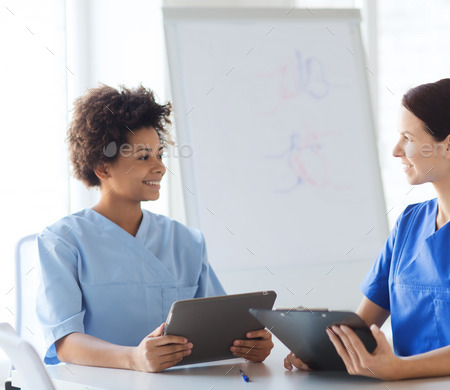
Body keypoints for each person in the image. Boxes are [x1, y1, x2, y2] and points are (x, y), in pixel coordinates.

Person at [284, 78, 450, 380]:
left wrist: (398, 369)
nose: (396, 150)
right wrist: (320, 349)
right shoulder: (409, 222)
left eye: (407, 137)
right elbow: (362, 324)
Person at [36, 85, 273, 373]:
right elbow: (64, 342)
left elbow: (219, 326)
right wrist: (133, 359)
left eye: (160, 155)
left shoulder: (187, 241)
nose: (160, 167)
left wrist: (248, 344)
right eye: (144, 157)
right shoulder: (62, 242)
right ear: (102, 167)